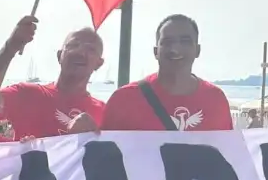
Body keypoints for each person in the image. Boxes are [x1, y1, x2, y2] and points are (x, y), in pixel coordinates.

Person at [100, 15, 236, 133]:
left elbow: (229, 155)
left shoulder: (216, 100)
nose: (175, 49)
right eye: (167, 42)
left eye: (185, 41)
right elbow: (103, 156)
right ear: (156, 52)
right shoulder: (124, 100)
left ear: (197, 50)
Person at [0, 16, 107, 138]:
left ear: (99, 63)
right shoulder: (26, 94)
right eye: (73, 45)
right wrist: (11, 47)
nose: (80, 52)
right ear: (59, 56)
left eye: (90, 49)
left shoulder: (105, 113)